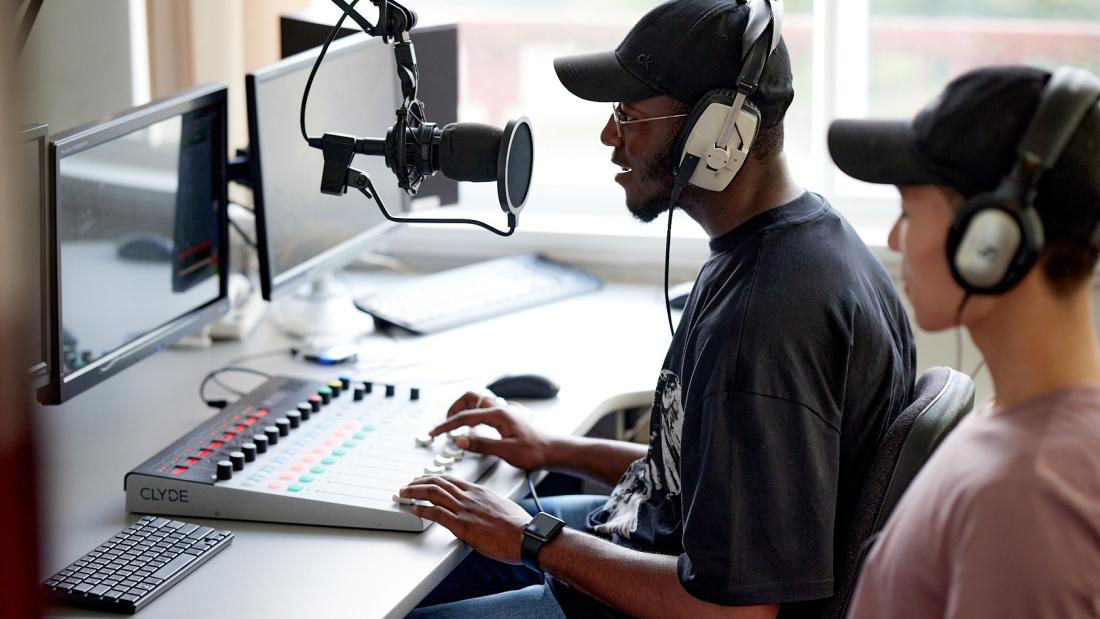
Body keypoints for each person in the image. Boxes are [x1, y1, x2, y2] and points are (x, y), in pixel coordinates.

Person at [401, 1, 915, 616]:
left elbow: (732, 612)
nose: (609, 136)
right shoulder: (796, 241)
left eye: (629, 116)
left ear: (718, 134)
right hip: (661, 547)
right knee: (428, 546)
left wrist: (532, 538)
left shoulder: (764, 322)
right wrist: (554, 449)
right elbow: (711, 477)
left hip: (675, 603)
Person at [829, 65, 1100, 617]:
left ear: (990, 242)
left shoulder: (1028, 499)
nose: (893, 238)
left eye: (909, 209)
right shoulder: (1022, 425)